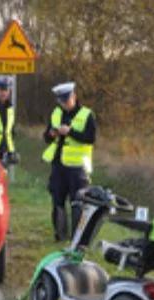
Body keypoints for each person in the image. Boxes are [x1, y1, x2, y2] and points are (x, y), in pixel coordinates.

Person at [42, 82, 97, 241]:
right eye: (61, 101)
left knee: (78, 203)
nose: (64, 104)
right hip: (58, 164)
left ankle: (77, 237)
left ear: (74, 96)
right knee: (57, 200)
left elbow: (90, 139)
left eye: (67, 100)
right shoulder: (56, 113)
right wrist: (51, 134)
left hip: (78, 167)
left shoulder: (87, 114)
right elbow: (46, 137)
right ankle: (60, 235)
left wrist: (70, 132)